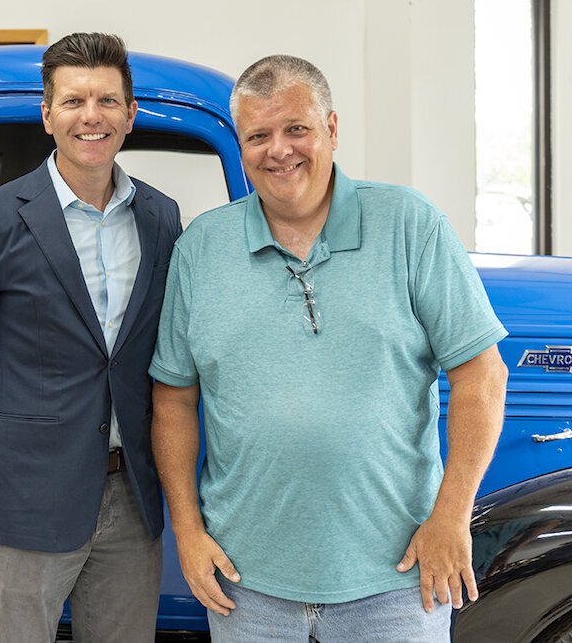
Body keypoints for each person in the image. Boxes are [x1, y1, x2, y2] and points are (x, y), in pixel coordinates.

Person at [149, 54, 509, 642]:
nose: (279, 150)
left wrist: (451, 516)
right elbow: (172, 401)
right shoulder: (200, 250)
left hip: (397, 583)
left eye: (297, 129)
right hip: (246, 591)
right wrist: (187, 532)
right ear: (241, 146)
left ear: (332, 130)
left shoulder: (411, 225)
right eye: (258, 135)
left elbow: (482, 376)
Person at [0, 32, 182, 643]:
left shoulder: (161, 216)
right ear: (47, 115)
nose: (91, 117)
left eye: (107, 101)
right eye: (73, 101)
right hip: (22, 499)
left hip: (130, 495)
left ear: (130, 113)